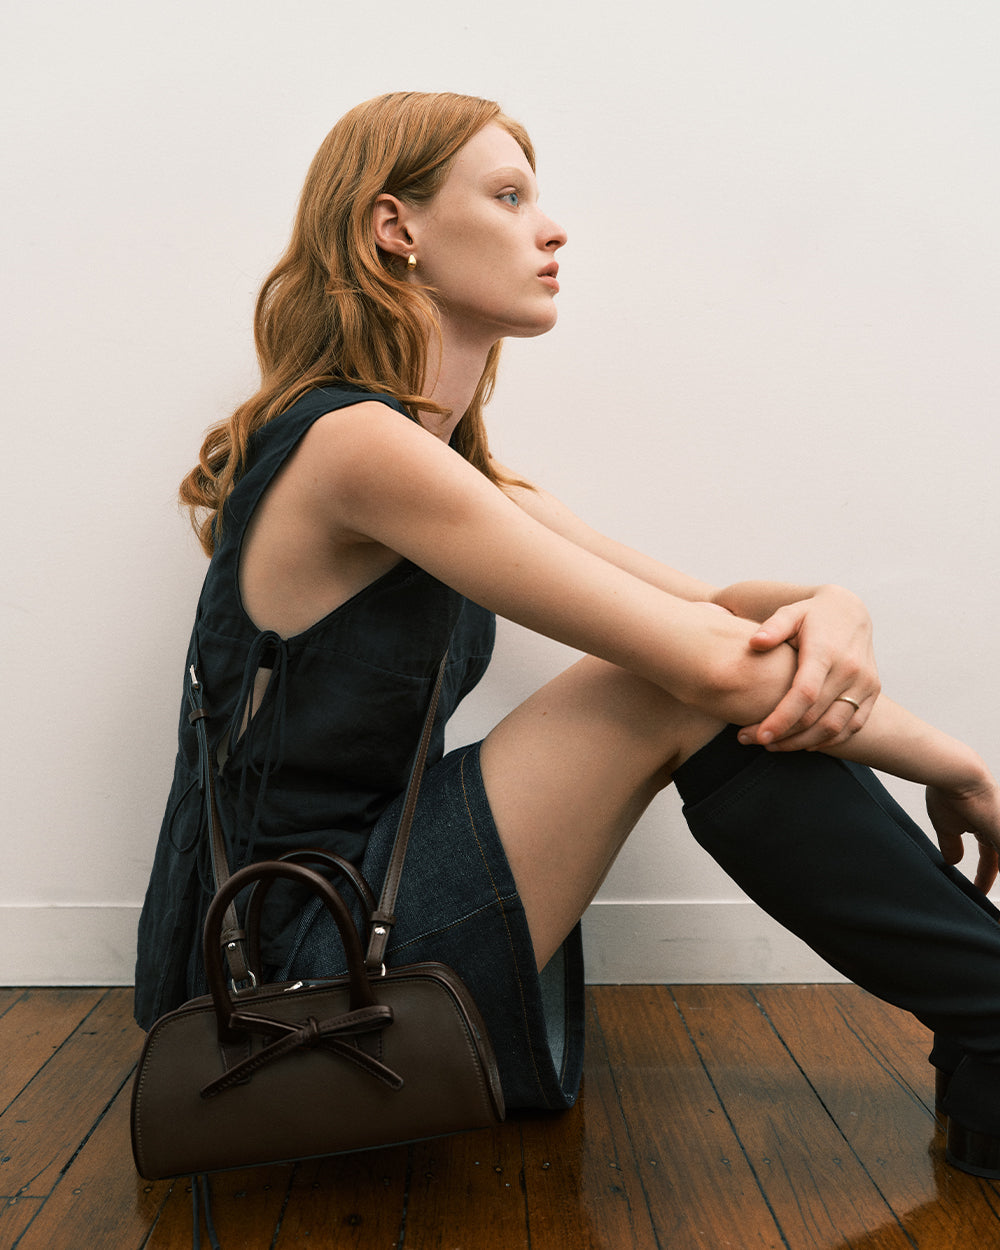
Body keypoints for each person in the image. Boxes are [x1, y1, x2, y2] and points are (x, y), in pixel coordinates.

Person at [135, 91, 1000, 1177]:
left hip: (361, 912)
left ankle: (992, 1029)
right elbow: (710, 665)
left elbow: (719, 611)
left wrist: (837, 603)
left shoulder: (453, 472)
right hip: (288, 969)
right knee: (664, 684)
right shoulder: (358, 448)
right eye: (508, 197)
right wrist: (961, 766)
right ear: (394, 227)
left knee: (689, 668)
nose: (551, 229)